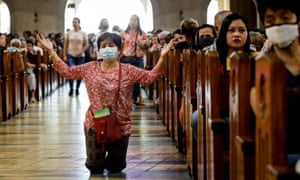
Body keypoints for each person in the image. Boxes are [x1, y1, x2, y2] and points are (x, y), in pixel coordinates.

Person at [37, 32, 175, 174]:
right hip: (95, 121)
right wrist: (51, 51)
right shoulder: (89, 68)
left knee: (116, 167)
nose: (107, 48)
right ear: (99, 50)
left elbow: (150, 77)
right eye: (103, 46)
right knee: (95, 166)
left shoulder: (128, 70)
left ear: (120, 50)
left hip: (120, 123)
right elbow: (67, 72)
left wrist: (163, 57)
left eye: (111, 45)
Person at [251, 0, 300, 167]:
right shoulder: (259, 65)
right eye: (271, 20)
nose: (278, 25)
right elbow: (262, 113)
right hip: (281, 151)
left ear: (297, 20)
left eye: (285, 18)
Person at [120, 14, 149, 106]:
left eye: (135, 20)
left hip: (138, 58)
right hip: (126, 58)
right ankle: (126, 99)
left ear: (138, 22)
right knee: (126, 80)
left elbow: (147, 46)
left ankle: (133, 99)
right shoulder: (124, 33)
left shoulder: (142, 33)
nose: (133, 22)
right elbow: (120, 46)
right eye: (131, 19)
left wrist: (144, 44)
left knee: (137, 80)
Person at [63, 17, 89, 96]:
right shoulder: (69, 33)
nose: (74, 23)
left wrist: (81, 51)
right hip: (71, 54)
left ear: (79, 23)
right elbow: (65, 45)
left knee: (79, 73)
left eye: (75, 22)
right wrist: (64, 55)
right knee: (71, 70)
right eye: (73, 22)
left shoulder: (83, 33)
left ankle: (77, 88)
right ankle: (71, 88)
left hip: (80, 56)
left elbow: (87, 44)